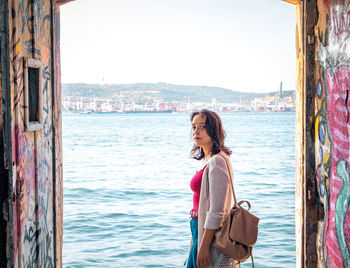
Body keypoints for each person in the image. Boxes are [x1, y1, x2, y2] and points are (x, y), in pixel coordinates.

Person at [186, 109, 239, 268]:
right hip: (198, 226)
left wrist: (203, 247)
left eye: (202, 126)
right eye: (194, 127)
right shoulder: (208, 159)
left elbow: (217, 210)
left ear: (214, 130)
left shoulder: (217, 161)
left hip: (209, 233)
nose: (196, 131)